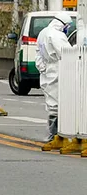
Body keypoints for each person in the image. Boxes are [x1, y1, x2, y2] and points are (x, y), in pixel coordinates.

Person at [37, 16, 70, 151]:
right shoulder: (57, 35)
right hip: (57, 69)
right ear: (62, 24)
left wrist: (42, 67)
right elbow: (67, 53)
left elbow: (38, 52)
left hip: (47, 70)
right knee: (58, 104)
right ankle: (56, 135)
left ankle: (52, 134)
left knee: (51, 103)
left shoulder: (43, 32)